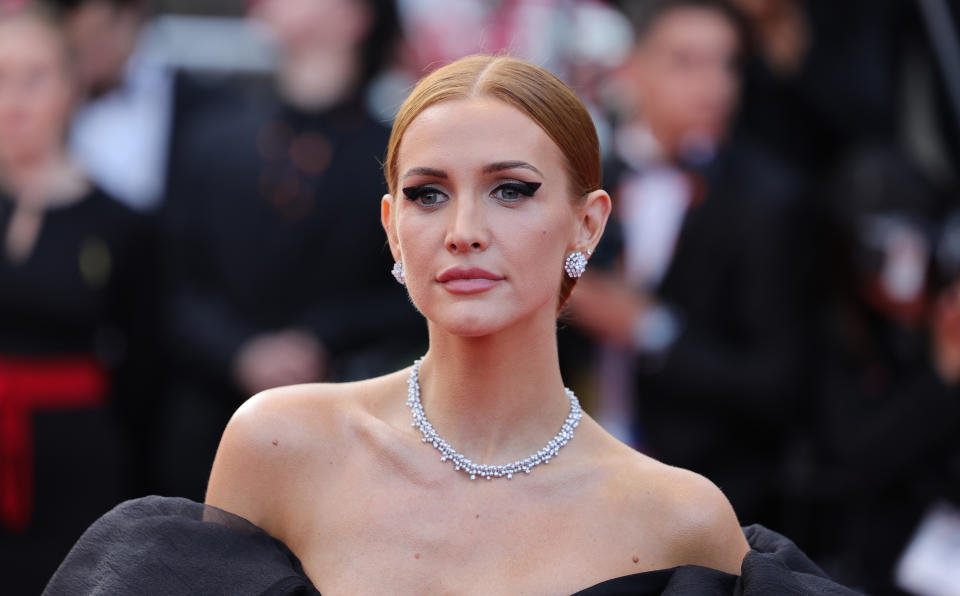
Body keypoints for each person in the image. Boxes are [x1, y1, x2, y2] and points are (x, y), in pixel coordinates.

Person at [45, 55, 855, 595]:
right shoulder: (280, 443)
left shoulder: (679, 518)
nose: (464, 227)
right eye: (430, 194)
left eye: (513, 189)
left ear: (588, 225)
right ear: (394, 227)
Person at [155, 0, 422, 502]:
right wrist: (238, 351)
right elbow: (170, 283)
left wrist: (321, 339)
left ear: (355, 17)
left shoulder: (398, 158)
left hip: (341, 434)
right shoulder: (211, 138)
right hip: (207, 433)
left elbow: (412, 292)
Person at [568, 0, 810, 528]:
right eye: (686, 61)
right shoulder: (579, 184)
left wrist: (649, 330)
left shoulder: (769, 200)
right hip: (569, 477)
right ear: (631, 69)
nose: (715, 85)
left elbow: (778, 386)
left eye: (728, 64)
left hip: (710, 498)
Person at [0, 4, 156, 594]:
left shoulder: (122, 223)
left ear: (71, 87)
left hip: (76, 465)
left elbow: (145, 368)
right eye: (0, 79)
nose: (13, 99)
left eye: (34, 78)